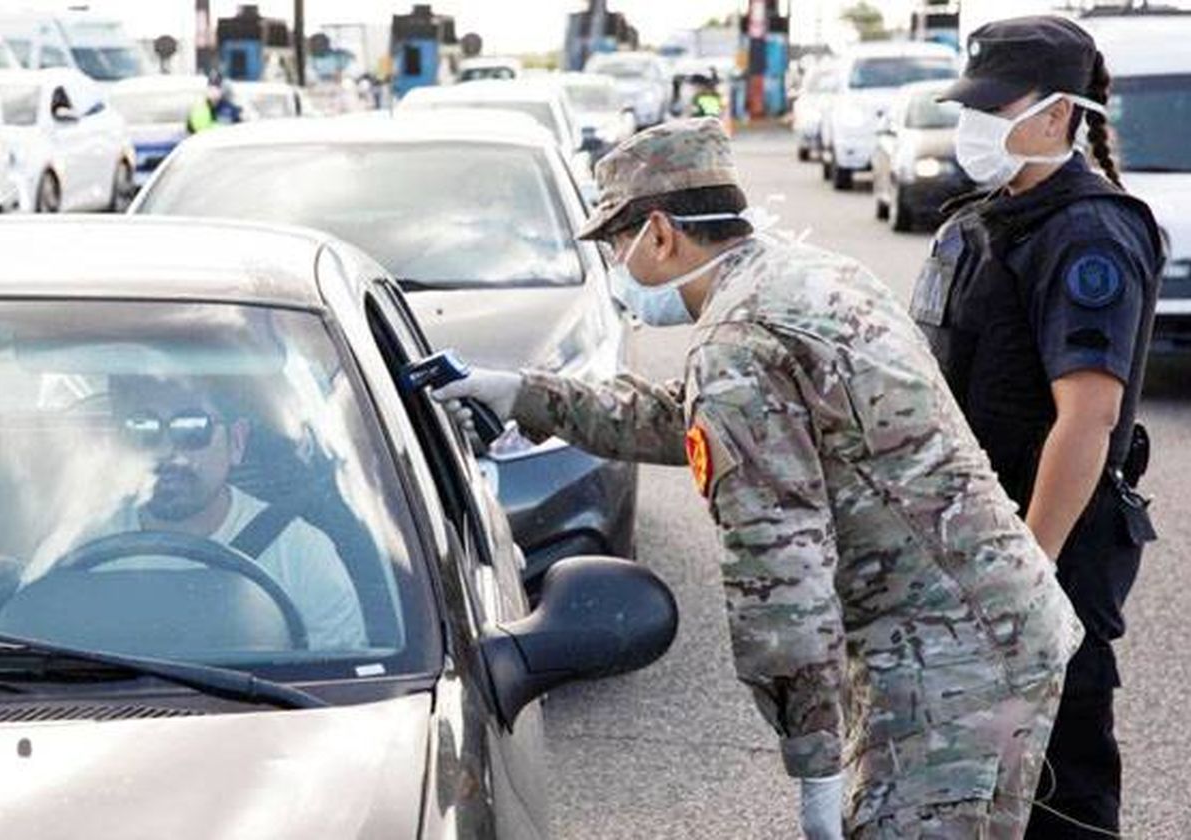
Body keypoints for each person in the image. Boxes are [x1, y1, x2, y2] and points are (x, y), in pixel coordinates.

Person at [435, 118, 1084, 838]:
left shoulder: (738, 344)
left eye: (616, 243)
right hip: (982, 623)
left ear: (659, 232)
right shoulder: (805, 277)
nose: (617, 264)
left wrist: (815, 767)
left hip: (949, 658)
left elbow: (781, 578)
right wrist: (522, 393)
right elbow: (692, 418)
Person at [914, 17, 1164, 839]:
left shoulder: (1087, 234)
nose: (972, 126)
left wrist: (1030, 570)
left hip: (1043, 547)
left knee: (1058, 783)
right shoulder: (999, 215)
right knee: (982, 773)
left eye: (994, 108)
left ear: (1059, 114)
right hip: (983, 539)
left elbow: (1087, 419)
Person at [24, 375, 366, 651]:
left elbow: (344, 692)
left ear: (237, 442)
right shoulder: (74, 548)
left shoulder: (303, 554)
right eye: (142, 428)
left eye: (192, 428)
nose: (167, 451)